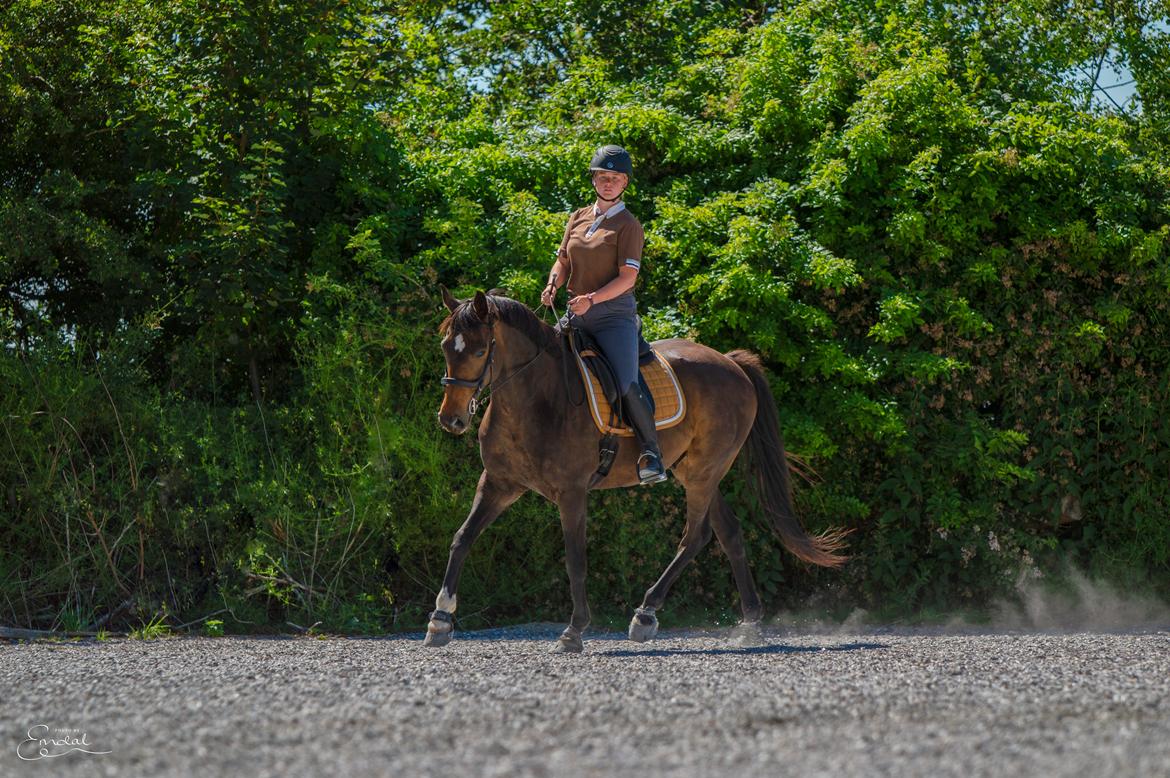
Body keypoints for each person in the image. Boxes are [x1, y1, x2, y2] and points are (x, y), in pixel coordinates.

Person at [541, 144, 667, 485]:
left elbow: (628, 278)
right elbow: (563, 260)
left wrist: (592, 299)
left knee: (625, 382)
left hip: (613, 318)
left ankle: (651, 453)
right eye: (602, 177)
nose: (607, 183)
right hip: (576, 312)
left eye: (614, 178)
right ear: (594, 180)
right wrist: (554, 283)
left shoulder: (629, 225)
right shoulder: (578, 217)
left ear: (624, 182)